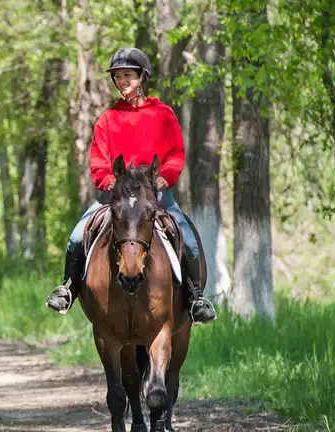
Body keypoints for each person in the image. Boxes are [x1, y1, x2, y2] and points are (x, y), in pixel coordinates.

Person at [45, 47, 216, 324]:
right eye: (118, 77)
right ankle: (68, 289)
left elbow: (175, 152)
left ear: (142, 77)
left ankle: (195, 298)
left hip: (155, 194)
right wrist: (109, 181)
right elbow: (99, 160)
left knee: (189, 238)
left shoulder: (163, 114)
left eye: (128, 76)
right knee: (77, 236)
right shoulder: (107, 119)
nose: (123, 82)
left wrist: (166, 176)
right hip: (115, 196)